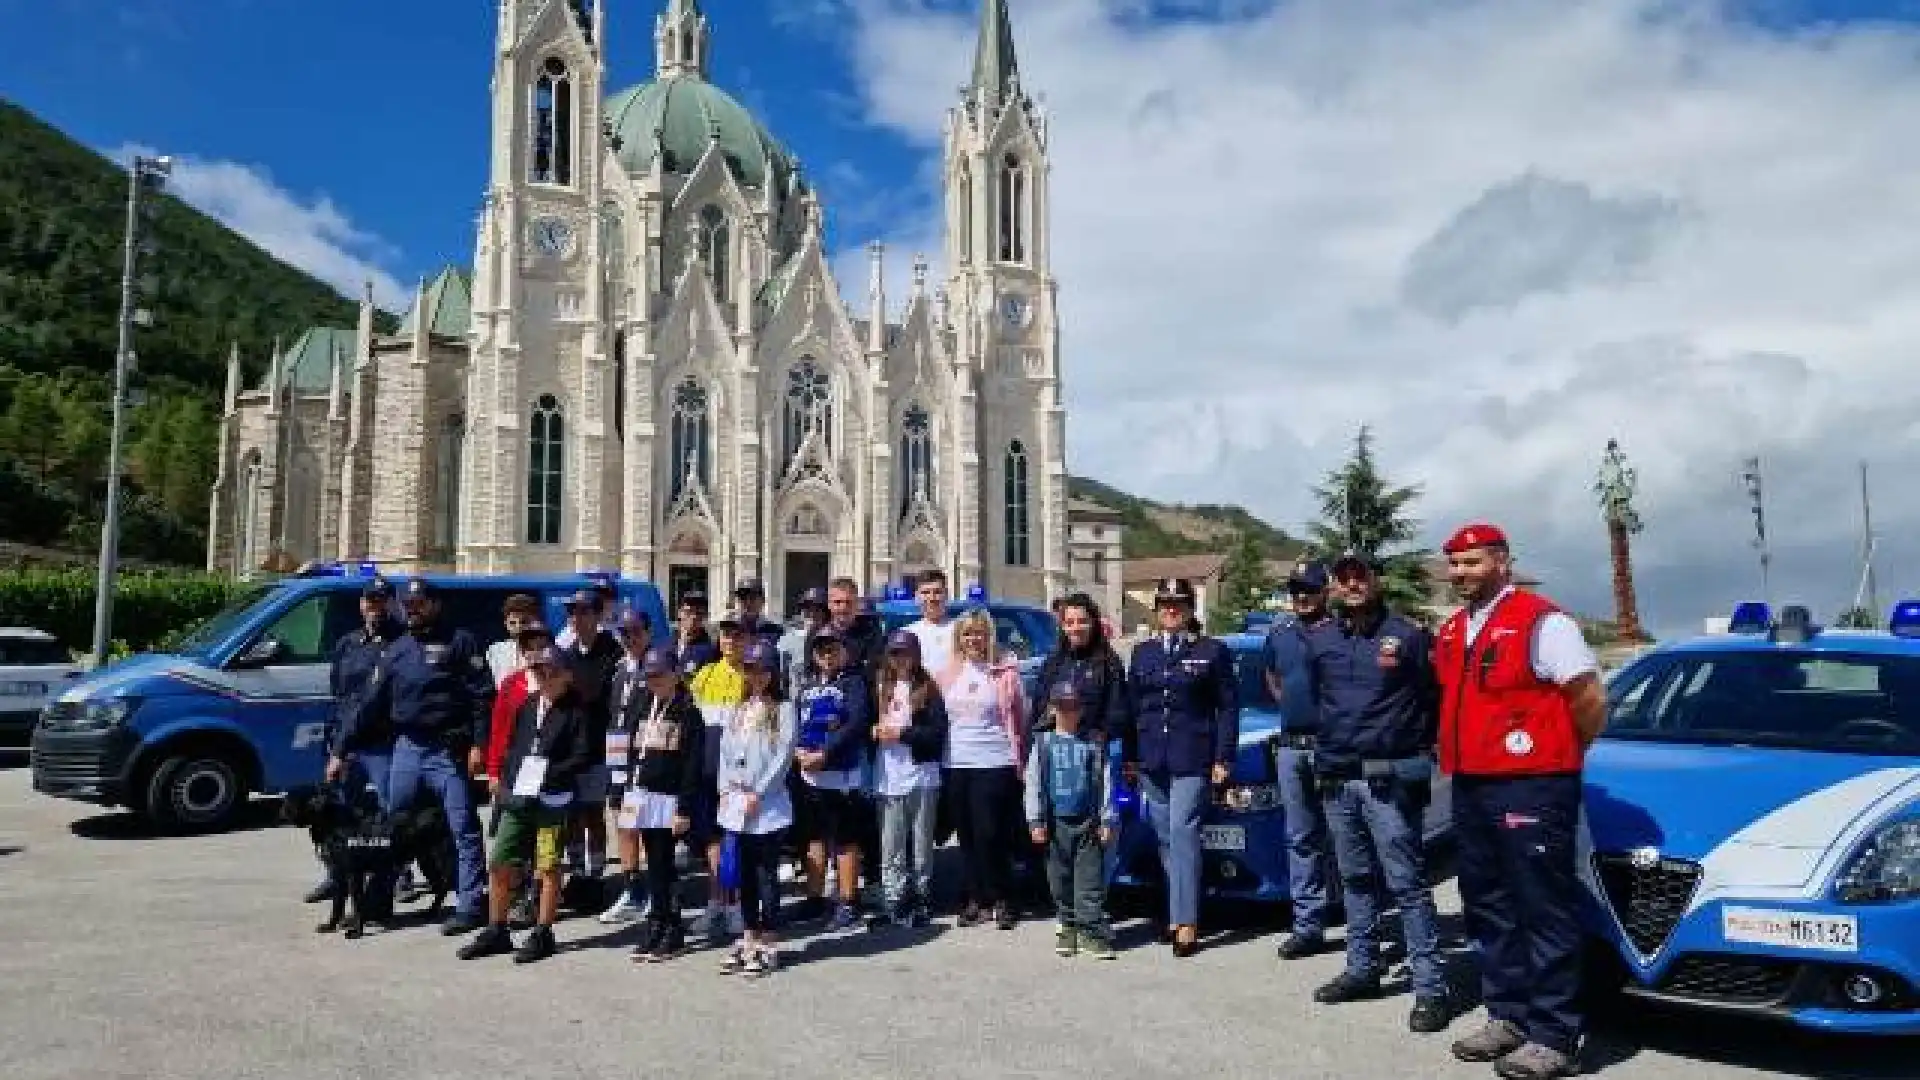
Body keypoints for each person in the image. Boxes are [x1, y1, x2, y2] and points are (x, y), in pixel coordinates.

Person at [1434, 524, 1606, 1080]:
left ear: (1502, 562)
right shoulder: (1456, 629)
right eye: (1455, 564)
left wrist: (1558, 752)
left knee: (1542, 905)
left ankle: (1555, 1033)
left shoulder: (1542, 621)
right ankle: (1506, 1015)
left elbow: (1587, 696)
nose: (1462, 573)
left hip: (1531, 783)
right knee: (1487, 903)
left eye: (1473, 562)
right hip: (1472, 782)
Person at [1302, 554, 1451, 1034]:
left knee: (1406, 883)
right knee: (1354, 880)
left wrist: (1413, 750)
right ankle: (1362, 969)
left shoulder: (1408, 637)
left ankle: (1431, 988)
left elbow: (1433, 699)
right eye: (1344, 579)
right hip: (1338, 780)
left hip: (1387, 781)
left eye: (1360, 576)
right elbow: (1306, 696)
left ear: (1375, 581)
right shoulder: (1321, 639)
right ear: (1335, 587)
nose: (1352, 584)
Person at [331, 578, 491, 935]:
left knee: (461, 826)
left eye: (419, 603)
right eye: (408, 604)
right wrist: (341, 751)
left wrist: (480, 745)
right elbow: (368, 704)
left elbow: (482, 697)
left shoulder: (460, 640)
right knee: (391, 828)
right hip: (407, 747)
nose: (412, 609)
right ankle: (377, 904)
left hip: (447, 749)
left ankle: (470, 905)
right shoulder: (398, 647)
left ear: (435, 604)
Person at [1122, 577, 1238, 958]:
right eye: (1165, 604)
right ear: (1157, 610)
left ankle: (1187, 921)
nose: (1172, 610)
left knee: (1182, 832)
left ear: (1190, 610)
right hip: (1152, 759)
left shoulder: (1212, 652)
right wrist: (1130, 757)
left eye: (1179, 604)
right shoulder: (1143, 653)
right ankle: (1176, 909)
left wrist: (1223, 758)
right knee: (1166, 839)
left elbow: (1227, 709)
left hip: (1192, 758)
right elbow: (1134, 708)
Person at [456, 646, 593, 964]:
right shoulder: (528, 705)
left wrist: (549, 773)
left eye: (551, 672)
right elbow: (514, 746)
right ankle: (497, 928)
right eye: (539, 672)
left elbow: (583, 756)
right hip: (518, 796)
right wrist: (505, 780)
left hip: (552, 800)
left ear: (567, 676)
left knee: (547, 865)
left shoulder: (577, 711)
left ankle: (543, 930)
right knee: (500, 860)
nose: (544, 677)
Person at [308, 577, 402, 905]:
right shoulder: (349, 643)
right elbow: (341, 695)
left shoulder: (400, 642)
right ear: (361, 604)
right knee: (340, 816)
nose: (374, 607)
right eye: (369, 600)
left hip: (382, 743)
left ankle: (393, 878)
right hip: (347, 747)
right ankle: (337, 875)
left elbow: (375, 702)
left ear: (392, 604)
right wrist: (336, 745)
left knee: (390, 816)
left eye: (381, 601)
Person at [1262, 562, 1337, 959]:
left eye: (1309, 589)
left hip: (1333, 747)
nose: (1301, 597)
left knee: (1347, 836)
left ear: (1325, 591)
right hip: (1292, 747)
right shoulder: (1280, 634)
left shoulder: (1342, 631)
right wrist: (1295, 709)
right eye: (1295, 590)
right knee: (1301, 838)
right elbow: (1274, 679)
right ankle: (1308, 926)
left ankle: (1364, 925)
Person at [714, 640, 797, 976]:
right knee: (744, 875)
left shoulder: (784, 708)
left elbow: (783, 756)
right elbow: (724, 751)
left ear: (772, 672)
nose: (757, 675)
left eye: (763, 669)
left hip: (768, 805)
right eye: (750, 669)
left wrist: (759, 792)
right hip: (737, 802)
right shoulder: (738, 709)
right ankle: (748, 935)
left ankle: (769, 939)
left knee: (766, 875)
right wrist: (723, 788)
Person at [621, 645, 705, 963]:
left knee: (664, 865)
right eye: (649, 676)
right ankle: (655, 924)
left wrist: (684, 808)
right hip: (641, 794)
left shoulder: (687, 711)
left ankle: (673, 928)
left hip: (668, 800)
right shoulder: (645, 706)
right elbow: (632, 750)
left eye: (659, 675)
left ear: (675, 675)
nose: (653, 681)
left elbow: (691, 765)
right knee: (651, 864)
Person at [944, 609, 1027, 929]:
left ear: (988, 636)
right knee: (966, 835)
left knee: (991, 834)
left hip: (995, 761)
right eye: (967, 634)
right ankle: (976, 897)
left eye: (978, 633)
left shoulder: (1005, 670)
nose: (973, 639)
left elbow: (1020, 716)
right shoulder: (948, 672)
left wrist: (1021, 757)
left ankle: (1003, 896)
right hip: (956, 762)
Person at [1024, 680, 1116, 959]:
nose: (1069, 712)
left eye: (1074, 707)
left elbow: (1105, 783)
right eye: (1063, 707)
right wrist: (1035, 821)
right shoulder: (1042, 744)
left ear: (1082, 709)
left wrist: (1106, 819)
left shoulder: (1094, 743)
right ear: (1052, 709)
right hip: (1054, 823)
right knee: (1059, 879)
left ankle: (1090, 930)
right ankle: (1067, 926)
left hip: (1088, 822)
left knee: (1089, 880)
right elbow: (1033, 784)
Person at [793, 625, 873, 932]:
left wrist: (824, 754)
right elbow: (799, 723)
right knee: (813, 838)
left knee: (845, 841)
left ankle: (848, 901)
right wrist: (799, 752)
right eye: (821, 650)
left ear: (844, 651)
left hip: (840, 775)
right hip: (809, 775)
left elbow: (855, 724)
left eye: (832, 649)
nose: (827, 655)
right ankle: (815, 899)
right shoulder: (807, 685)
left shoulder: (853, 683)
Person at [870, 630, 949, 929]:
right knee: (891, 845)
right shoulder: (881, 686)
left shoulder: (929, 689)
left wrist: (901, 734)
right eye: (895, 654)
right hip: (889, 776)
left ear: (916, 656)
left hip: (922, 776)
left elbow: (936, 735)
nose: (901, 660)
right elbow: (867, 721)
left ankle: (922, 898)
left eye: (906, 654)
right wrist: (874, 731)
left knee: (920, 845)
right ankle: (894, 900)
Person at [483, 622, 554, 929]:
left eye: (541, 645)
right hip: (514, 778)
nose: (536, 652)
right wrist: (494, 773)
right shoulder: (512, 685)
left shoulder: (561, 683)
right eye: (529, 647)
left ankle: (534, 901)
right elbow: (499, 732)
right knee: (506, 848)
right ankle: (505, 907)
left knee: (544, 851)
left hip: (550, 782)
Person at [558, 590, 623, 902]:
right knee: (571, 816)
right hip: (572, 748)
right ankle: (578, 873)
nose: (577, 618)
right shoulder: (566, 653)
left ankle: (596, 876)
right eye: (573, 612)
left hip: (599, 746)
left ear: (597, 616)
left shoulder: (611, 651)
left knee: (593, 813)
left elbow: (600, 694)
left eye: (584, 612)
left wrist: (579, 694)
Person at [688, 617, 749, 945]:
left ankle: (736, 903)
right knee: (711, 839)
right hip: (706, 772)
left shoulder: (751, 676)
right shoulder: (706, 673)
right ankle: (716, 902)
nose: (731, 640)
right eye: (726, 634)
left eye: (737, 635)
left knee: (733, 840)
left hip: (737, 774)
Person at [599, 609, 654, 926]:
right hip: (617, 756)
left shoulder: (655, 667)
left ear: (647, 633)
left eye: (635, 632)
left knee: (642, 825)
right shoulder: (620, 672)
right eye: (624, 633)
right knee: (622, 822)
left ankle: (650, 890)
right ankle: (631, 887)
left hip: (642, 759)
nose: (630, 639)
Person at [1031, 593, 1129, 739]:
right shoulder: (1053, 663)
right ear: (1063, 626)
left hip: (1091, 750)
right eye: (1070, 623)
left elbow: (1116, 715)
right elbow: (1038, 709)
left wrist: (1097, 738)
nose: (1076, 628)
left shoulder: (1108, 663)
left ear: (1093, 623)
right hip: (1055, 749)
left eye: (1082, 621)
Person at [825, 576, 886, 681]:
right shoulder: (817, 635)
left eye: (848, 602)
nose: (843, 607)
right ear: (829, 604)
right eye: (837, 602)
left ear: (857, 603)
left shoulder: (872, 635)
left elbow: (880, 671)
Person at [904, 569, 959, 682]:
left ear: (946, 595)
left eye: (937, 592)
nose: (932, 598)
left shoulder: (962, 630)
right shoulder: (906, 634)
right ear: (916, 597)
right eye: (925, 593)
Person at [778, 587, 829, 700]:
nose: (812, 613)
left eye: (817, 609)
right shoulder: (787, 640)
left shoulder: (834, 639)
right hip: (795, 704)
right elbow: (782, 680)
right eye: (807, 608)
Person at [485, 594, 542, 688]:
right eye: (512, 623)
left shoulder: (547, 651)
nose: (518, 627)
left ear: (536, 621)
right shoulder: (495, 651)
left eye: (524, 622)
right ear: (505, 623)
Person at [672, 590, 720, 677]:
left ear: (705, 616)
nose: (694, 617)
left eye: (699, 613)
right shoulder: (666, 643)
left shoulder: (711, 650)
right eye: (689, 611)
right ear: (679, 613)